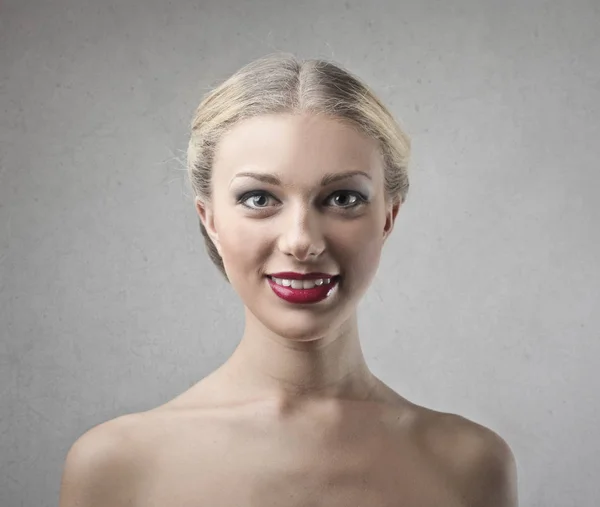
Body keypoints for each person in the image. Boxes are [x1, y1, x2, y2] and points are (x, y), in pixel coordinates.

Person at [59, 53, 518, 507]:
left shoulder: (470, 466)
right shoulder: (115, 467)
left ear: (388, 217)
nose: (301, 242)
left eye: (342, 197)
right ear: (210, 219)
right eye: (259, 198)